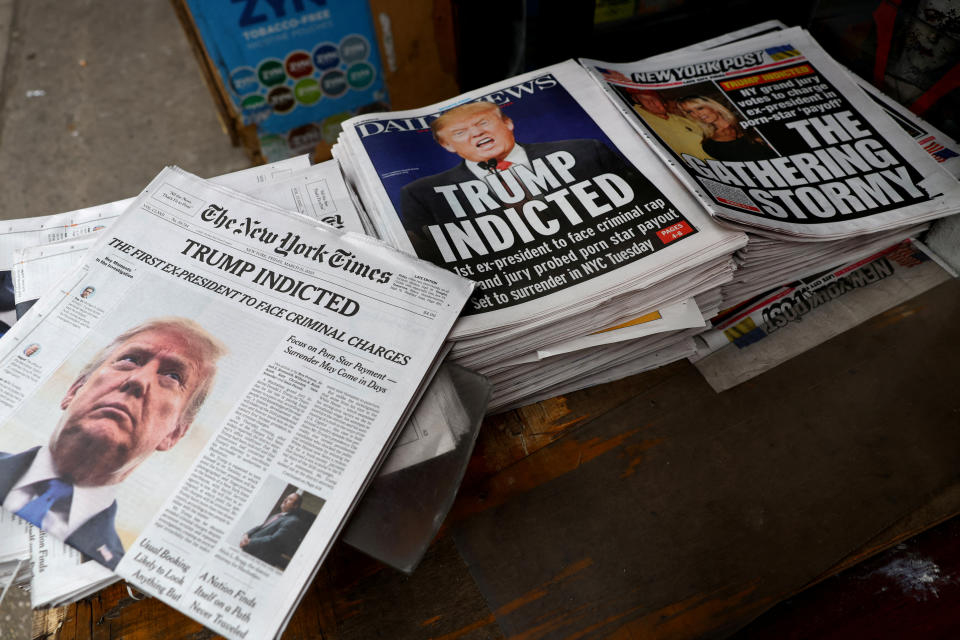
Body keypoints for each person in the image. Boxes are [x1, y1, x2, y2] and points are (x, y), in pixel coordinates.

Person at [0, 317, 227, 569]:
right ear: (74, 390)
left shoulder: (115, 570)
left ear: (173, 434)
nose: (139, 380)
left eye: (172, 376)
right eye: (130, 359)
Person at [399, 101, 636, 262]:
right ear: (447, 145)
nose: (476, 134)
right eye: (459, 133)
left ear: (508, 123)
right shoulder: (422, 195)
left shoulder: (585, 151)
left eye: (482, 123)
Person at [677, 95, 777, 161]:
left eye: (700, 108)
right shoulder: (710, 144)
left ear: (712, 106)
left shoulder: (747, 121)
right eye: (690, 112)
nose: (696, 114)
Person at [629, 90, 712, 161]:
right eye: (644, 99)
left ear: (661, 100)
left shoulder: (682, 120)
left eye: (653, 98)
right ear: (635, 99)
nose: (651, 103)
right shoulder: (636, 116)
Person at [239, 492, 310, 570]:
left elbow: (274, 539)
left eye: (290, 499)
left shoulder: (293, 521)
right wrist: (246, 535)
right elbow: (260, 527)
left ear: (295, 505)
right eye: (286, 497)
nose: (285, 500)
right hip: (249, 549)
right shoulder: (276, 515)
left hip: (260, 557)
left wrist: (250, 542)